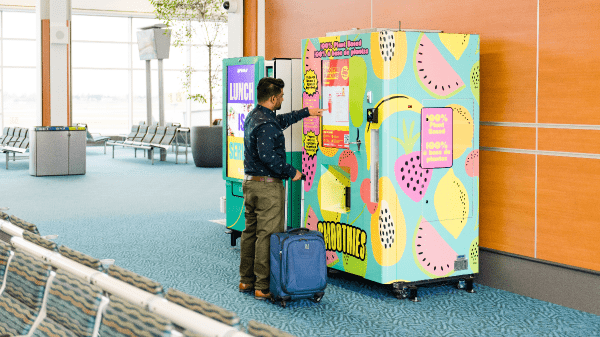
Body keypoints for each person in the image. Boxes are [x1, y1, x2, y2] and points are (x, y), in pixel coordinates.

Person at [239, 77, 325, 300]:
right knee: (266, 236)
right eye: (282, 96)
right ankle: (262, 286)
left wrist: (306, 112)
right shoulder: (266, 124)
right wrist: (292, 172)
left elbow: (281, 121)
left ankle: (246, 280)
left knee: (250, 234)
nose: (283, 99)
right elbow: (268, 157)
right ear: (273, 98)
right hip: (267, 187)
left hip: (251, 184)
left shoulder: (255, 116)